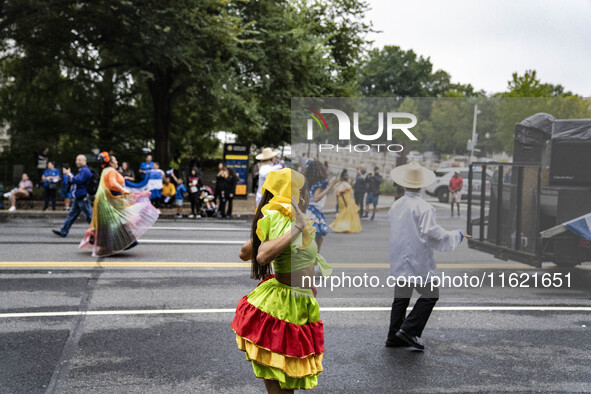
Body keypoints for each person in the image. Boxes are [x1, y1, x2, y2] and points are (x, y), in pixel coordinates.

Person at [231, 168, 331, 392]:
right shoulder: (284, 219)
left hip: (297, 302)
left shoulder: (285, 217)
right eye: (303, 190)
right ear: (297, 193)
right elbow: (262, 255)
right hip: (283, 307)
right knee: (281, 377)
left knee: (283, 378)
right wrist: (297, 228)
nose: (306, 196)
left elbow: (245, 252)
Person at [386, 161, 470, 350]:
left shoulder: (396, 206)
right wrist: (456, 235)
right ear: (421, 184)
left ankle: (394, 335)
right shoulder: (424, 208)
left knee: (401, 297)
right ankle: (408, 330)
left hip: (399, 256)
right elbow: (433, 234)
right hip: (417, 258)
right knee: (431, 294)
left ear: (403, 183)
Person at [79, 152, 159, 257]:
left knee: (113, 223)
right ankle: (115, 244)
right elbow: (112, 184)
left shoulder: (105, 170)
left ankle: (108, 243)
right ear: (111, 163)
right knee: (116, 222)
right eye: (115, 160)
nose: (117, 162)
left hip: (107, 199)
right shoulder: (111, 171)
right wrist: (125, 191)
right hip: (109, 200)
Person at [52, 155, 93, 237]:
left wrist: (69, 174)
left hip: (83, 197)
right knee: (71, 215)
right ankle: (63, 231)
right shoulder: (81, 170)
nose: (77, 161)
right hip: (78, 197)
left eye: (79, 160)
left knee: (89, 216)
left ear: (84, 161)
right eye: (76, 160)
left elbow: (79, 181)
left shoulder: (85, 170)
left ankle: (99, 233)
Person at [304, 160, 335, 251]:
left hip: (307, 210)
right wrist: (329, 186)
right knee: (318, 237)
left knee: (310, 237)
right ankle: (315, 261)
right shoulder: (321, 183)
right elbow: (317, 198)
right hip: (314, 212)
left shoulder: (306, 180)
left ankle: (311, 260)